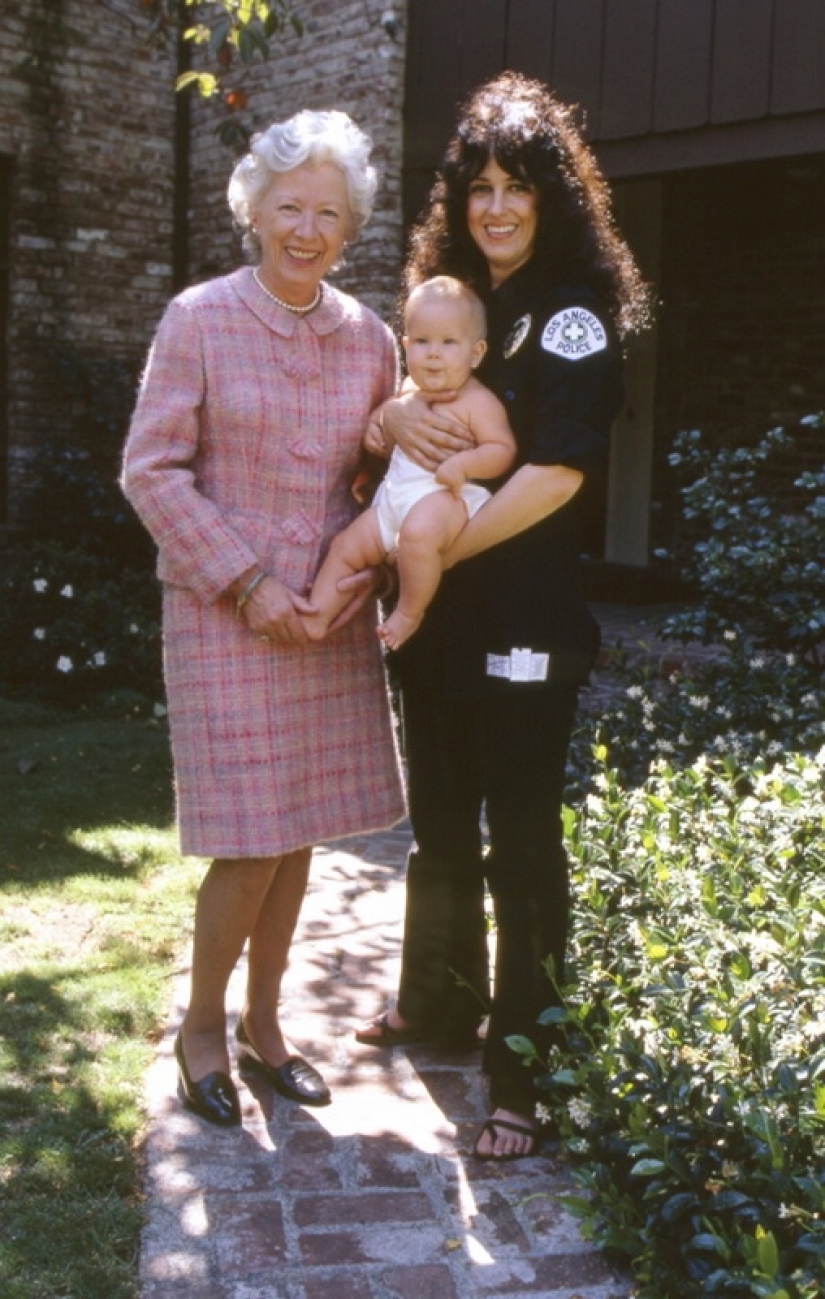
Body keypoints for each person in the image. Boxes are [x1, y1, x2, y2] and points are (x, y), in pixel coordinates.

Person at [354, 72, 651, 1160]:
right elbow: (402, 414)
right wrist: (390, 411)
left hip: (521, 622)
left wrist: (426, 549)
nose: (495, 206)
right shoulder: (452, 302)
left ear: (553, 196)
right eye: (477, 185)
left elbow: (564, 474)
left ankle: (527, 1063)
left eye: (517, 185)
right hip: (434, 625)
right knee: (434, 830)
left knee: (519, 844)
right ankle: (434, 1002)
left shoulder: (572, 314)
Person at [121, 109, 406, 1127]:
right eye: (291, 205)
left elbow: (386, 482)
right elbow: (150, 471)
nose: (308, 228)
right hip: (223, 610)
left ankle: (267, 1025)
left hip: (323, 620)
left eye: (329, 212)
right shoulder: (197, 318)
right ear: (255, 209)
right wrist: (249, 583)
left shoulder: (372, 339)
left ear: (350, 225)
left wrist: (343, 582)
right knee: (248, 839)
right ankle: (203, 1026)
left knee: (299, 838)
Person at [303, 275, 516, 649]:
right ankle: (316, 616)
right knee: (345, 547)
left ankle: (408, 612)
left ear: (477, 352)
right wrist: (379, 424)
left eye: (449, 342)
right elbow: (386, 431)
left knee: (417, 536)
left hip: (447, 499)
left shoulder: (478, 402)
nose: (433, 353)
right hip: (393, 502)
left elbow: (502, 450)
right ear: (405, 347)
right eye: (422, 342)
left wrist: (465, 464)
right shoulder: (406, 393)